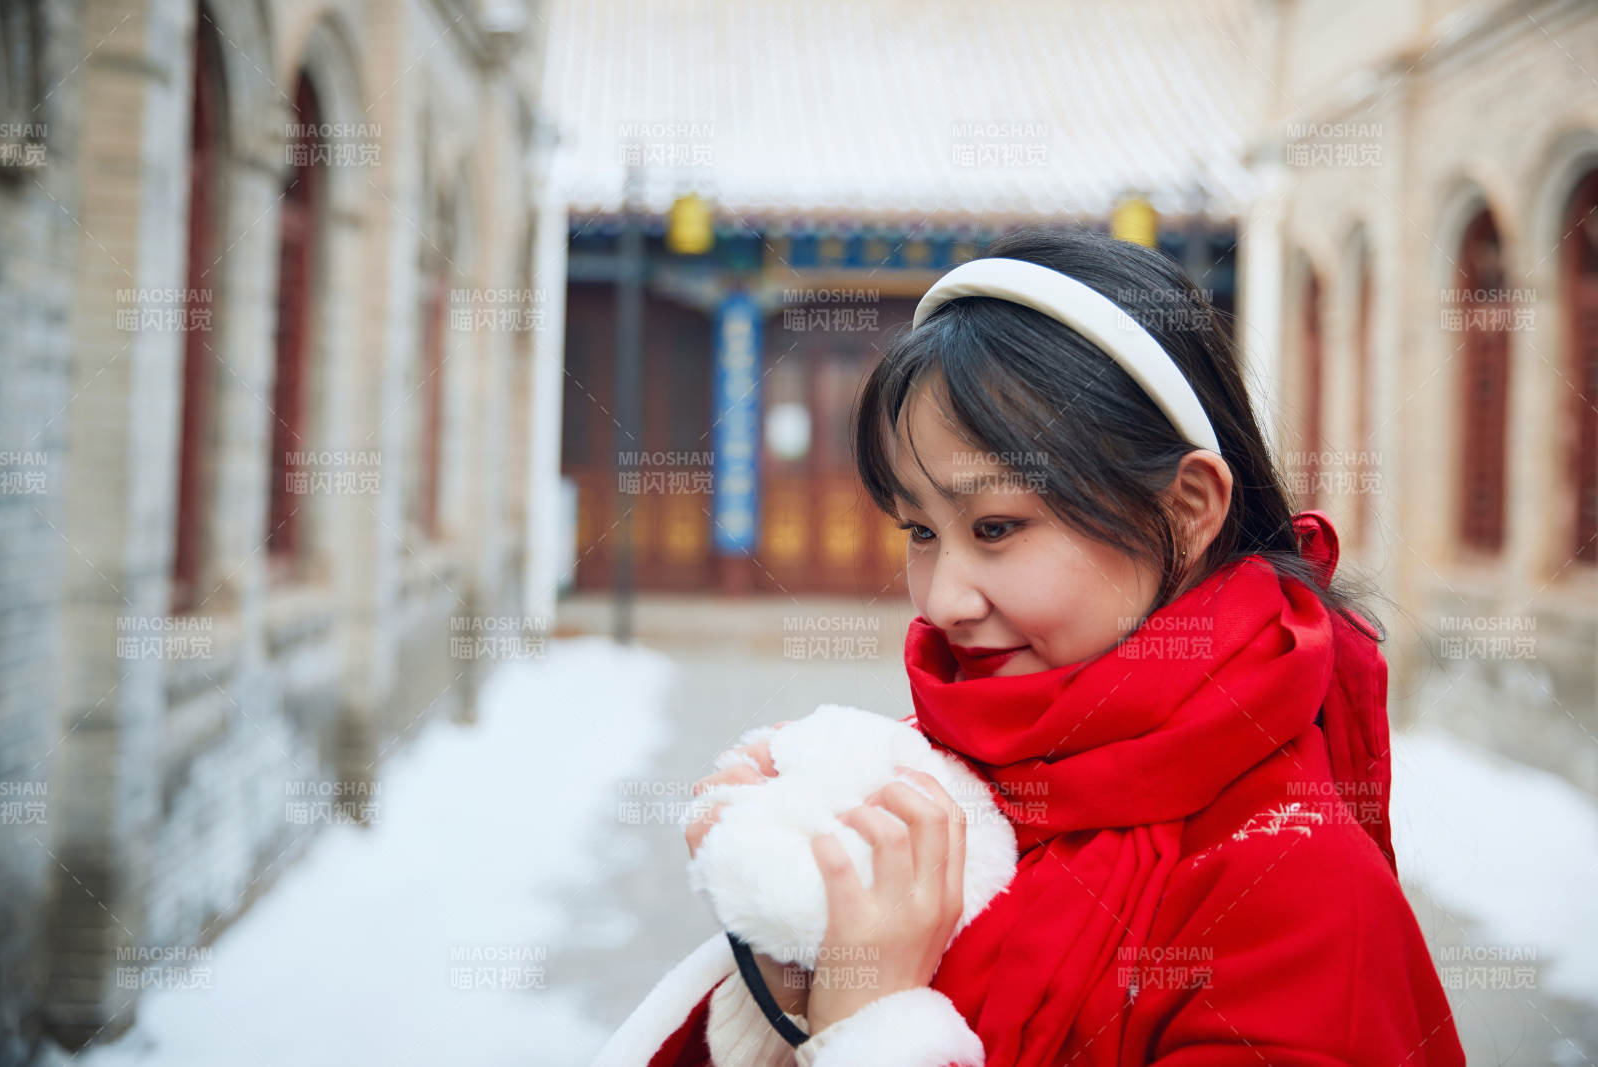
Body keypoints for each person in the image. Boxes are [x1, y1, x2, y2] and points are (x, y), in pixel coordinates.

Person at [596, 228, 1466, 1067]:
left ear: (1188, 508)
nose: (942, 601)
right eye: (919, 531)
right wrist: (796, 963)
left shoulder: (1292, 885)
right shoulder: (933, 783)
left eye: (997, 526)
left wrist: (873, 1025)